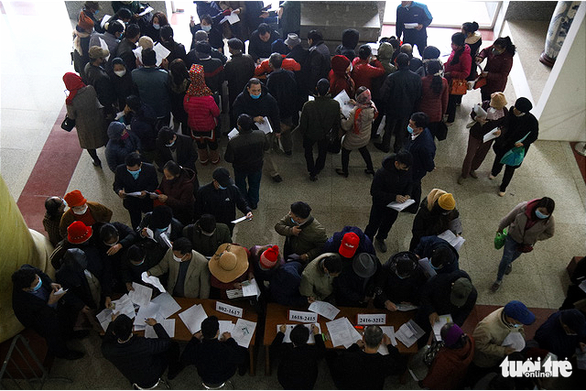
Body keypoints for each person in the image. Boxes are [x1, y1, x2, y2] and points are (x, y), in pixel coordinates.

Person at [11, 265, 85, 360]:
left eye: (38, 278)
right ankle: (63, 353)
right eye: (36, 283)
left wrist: (50, 283)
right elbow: (34, 322)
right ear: (26, 289)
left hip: (56, 309)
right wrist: (50, 304)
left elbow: (41, 273)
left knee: (66, 322)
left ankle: (70, 335)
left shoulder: (27, 270)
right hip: (46, 322)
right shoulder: (20, 305)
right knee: (55, 338)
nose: (39, 281)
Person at [491, 197, 555, 292]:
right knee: (506, 258)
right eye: (541, 211)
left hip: (526, 244)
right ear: (537, 207)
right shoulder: (523, 208)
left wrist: (536, 238)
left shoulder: (549, 220)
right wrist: (501, 227)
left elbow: (550, 233)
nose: (543, 215)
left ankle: (508, 263)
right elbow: (509, 218)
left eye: (546, 214)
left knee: (514, 256)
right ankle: (499, 279)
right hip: (512, 237)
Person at [102, 314, 182, 387]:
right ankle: (172, 371)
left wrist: (113, 323)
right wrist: (155, 325)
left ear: (113, 332)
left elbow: (106, 340)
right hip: (152, 375)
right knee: (174, 346)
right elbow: (166, 342)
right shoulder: (143, 344)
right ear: (132, 328)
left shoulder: (107, 351)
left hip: (133, 377)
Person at [232, 78, 282, 183]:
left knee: (267, 152)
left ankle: (274, 172)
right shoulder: (241, 99)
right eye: (254, 91)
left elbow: (275, 114)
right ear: (248, 89)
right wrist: (252, 118)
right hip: (247, 131)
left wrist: (277, 130)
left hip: (264, 131)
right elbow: (236, 114)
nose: (257, 93)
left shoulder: (268, 98)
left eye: (258, 90)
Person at [328, 325, 406, 390]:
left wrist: (355, 346)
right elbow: (402, 366)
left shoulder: (350, 357)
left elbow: (336, 362)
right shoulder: (386, 362)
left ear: (363, 338)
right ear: (381, 342)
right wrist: (390, 346)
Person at [365, 150, 413, 253]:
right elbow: (374, 192)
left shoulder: (407, 169)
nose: (407, 170)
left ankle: (380, 238)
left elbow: (410, 182)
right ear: (396, 163)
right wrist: (394, 197)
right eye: (404, 167)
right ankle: (367, 242)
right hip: (380, 204)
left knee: (388, 223)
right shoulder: (382, 173)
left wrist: (407, 193)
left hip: (395, 206)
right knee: (373, 224)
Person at [489, 97, 539, 196]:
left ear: (522, 112)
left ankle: (503, 186)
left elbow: (534, 136)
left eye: (517, 109)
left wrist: (523, 143)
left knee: (510, 168)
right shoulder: (511, 111)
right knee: (499, 159)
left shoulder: (532, 121)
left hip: (516, 148)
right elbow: (503, 123)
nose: (514, 109)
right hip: (504, 143)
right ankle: (495, 172)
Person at [375, 53, 422, 153]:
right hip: (407, 108)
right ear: (408, 63)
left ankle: (385, 146)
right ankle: (398, 147)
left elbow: (384, 93)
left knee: (389, 128)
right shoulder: (416, 77)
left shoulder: (392, 77)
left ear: (396, 63)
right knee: (403, 128)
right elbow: (418, 94)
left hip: (392, 107)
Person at [296, 78, 341, 181]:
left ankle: (311, 169)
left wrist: (303, 133)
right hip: (325, 134)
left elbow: (303, 124)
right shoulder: (335, 104)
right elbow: (337, 121)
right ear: (329, 90)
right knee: (322, 152)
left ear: (316, 89)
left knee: (308, 151)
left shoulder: (308, 105)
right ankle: (318, 168)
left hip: (310, 134)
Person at [181, 316, 248, 384]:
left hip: (205, 376)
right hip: (225, 375)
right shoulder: (225, 349)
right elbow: (240, 358)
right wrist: (229, 339)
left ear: (202, 332)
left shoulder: (197, 349)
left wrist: (194, 338)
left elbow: (184, 358)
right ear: (218, 332)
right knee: (243, 350)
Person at [458, 92, 508, 184]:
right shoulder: (483, 105)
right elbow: (473, 113)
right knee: (470, 155)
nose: (501, 107)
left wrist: (500, 130)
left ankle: (473, 169)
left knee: (481, 154)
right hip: (476, 134)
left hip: (489, 137)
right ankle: (464, 173)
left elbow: (505, 124)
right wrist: (478, 119)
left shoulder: (504, 111)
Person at [472, 301, 535, 371]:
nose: (521, 324)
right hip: (485, 360)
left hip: (498, 357)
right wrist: (503, 351)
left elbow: (520, 328)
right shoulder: (486, 328)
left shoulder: (513, 316)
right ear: (511, 319)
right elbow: (478, 344)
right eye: (519, 322)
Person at [63, 72, 108, 167]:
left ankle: (96, 160)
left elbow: (72, 117)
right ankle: (108, 155)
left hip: (84, 125)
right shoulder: (90, 89)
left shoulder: (70, 100)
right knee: (103, 136)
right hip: (97, 119)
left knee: (89, 143)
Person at [225, 114, 269, 209]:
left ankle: (243, 202)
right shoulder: (260, 134)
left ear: (239, 126)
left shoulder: (234, 141)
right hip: (256, 165)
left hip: (240, 167)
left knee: (240, 185)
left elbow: (228, 158)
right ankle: (253, 202)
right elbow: (266, 147)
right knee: (255, 184)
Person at [417, 271, 477, 340]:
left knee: (440, 339)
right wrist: (431, 311)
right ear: (452, 285)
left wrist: (454, 326)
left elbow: (465, 312)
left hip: (447, 320)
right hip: (429, 312)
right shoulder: (439, 280)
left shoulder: (472, 295)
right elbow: (424, 295)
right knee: (422, 334)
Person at [183, 64, 221, 165]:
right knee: (212, 144)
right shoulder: (208, 98)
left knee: (200, 144)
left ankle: (203, 159)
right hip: (208, 126)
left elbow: (186, 110)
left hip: (194, 126)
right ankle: (214, 159)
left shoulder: (187, 96)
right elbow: (216, 112)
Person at [195, 167, 253, 232]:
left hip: (228, 222)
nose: (225, 186)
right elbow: (198, 209)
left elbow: (241, 202)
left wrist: (247, 210)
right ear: (215, 181)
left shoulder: (232, 189)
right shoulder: (203, 192)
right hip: (212, 223)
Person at [420, 323, 475, 391]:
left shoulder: (446, 359)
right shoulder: (470, 341)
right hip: (454, 382)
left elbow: (435, 377)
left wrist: (424, 383)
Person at [336, 87, 377, 178]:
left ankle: (344, 171)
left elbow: (346, 126)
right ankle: (370, 168)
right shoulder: (371, 105)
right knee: (363, 150)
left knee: (345, 152)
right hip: (365, 135)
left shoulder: (355, 112)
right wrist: (356, 104)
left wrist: (341, 117)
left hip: (354, 137)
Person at [271, 323, 325, 390]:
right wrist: (317, 334)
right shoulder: (312, 350)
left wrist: (281, 333)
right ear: (307, 339)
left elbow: (273, 349)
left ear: (291, 337)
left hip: (286, 382)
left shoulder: (285, 348)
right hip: (307, 383)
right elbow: (322, 352)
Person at [113, 152, 158, 228]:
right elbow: (116, 185)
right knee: (135, 221)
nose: (132, 171)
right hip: (131, 200)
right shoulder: (120, 170)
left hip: (146, 200)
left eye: (135, 170)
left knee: (150, 218)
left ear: (140, 164)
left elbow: (154, 183)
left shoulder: (150, 169)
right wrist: (119, 191)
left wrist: (146, 191)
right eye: (129, 170)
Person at [404, 112, 436, 212]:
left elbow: (429, 164)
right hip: (413, 166)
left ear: (420, 128)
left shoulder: (423, 146)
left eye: (411, 125)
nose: (409, 126)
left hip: (416, 170)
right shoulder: (422, 132)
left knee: (414, 187)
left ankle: (413, 207)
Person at [266, 53, 297, 155]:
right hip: (288, 107)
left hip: (277, 108)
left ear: (271, 64)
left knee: (273, 128)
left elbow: (269, 95)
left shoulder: (271, 78)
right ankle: (288, 149)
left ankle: (271, 146)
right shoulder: (290, 74)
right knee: (287, 131)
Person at [131, 48, 171, 128]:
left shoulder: (134, 74)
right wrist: (166, 68)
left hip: (145, 112)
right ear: (155, 59)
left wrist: (138, 67)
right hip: (162, 111)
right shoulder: (164, 75)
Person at [153, 160, 197, 225]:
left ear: (177, 175)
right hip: (170, 209)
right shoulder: (166, 178)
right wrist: (156, 193)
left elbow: (183, 204)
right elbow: (161, 188)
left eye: (169, 176)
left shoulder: (187, 185)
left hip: (183, 213)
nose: (166, 178)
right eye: (165, 175)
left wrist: (167, 199)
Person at [444, 32, 472, 124]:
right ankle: (447, 112)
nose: (451, 45)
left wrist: (452, 73)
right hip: (449, 78)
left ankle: (450, 119)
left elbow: (466, 73)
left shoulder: (465, 56)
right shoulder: (455, 51)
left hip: (455, 82)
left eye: (454, 44)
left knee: (452, 101)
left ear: (460, 45)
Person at [476, 36, 516, 101]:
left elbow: (503, 75)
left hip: (495, 86)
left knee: (491, 101)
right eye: (494, 47)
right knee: (483, 95)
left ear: (504, 49)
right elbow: (485, 51)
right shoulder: (494, 47)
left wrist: (488, 75)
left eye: (497, 49)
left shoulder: (507, 59)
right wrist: (481, 57)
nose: (494, 50)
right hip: (485, 80)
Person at [225, 38, 255, 120]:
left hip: (235, 90)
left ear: (231, 48)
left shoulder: (230, 64)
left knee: (235, 108)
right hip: (247, 87)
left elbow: (226, 77)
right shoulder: (248, 58)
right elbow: (253, 71)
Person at [418, 60, 448, 140]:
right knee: (431, 136)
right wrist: (443, 113)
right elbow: (445, 100)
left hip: (423, 111)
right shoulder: (444, 82)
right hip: (436, 113)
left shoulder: (423, 81)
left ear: (427, 69)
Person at [84, 46, 117, 117]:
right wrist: (109, 111)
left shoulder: (88, 66)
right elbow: (105, 96)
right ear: (98, 59)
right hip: (104, 105)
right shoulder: (101, 77)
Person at [124, 95, 158, 161]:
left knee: (148, 159)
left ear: (129, 108)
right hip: (154, 137)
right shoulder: (147, 107)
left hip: (147, 146)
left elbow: (136, 136)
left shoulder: (136, 123)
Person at [167, 59, 191, 135]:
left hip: (175, 107)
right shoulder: (188, 83)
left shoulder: (169, 81)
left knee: (177, 119)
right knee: (186, 124)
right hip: (186, 108)